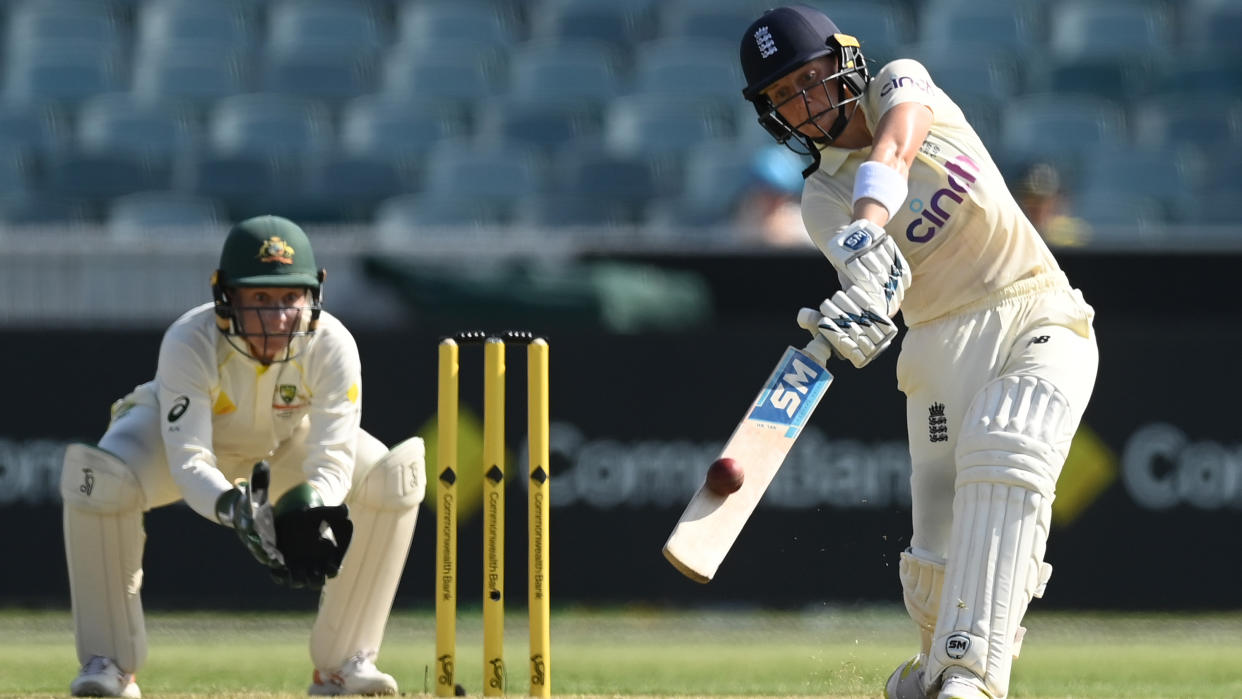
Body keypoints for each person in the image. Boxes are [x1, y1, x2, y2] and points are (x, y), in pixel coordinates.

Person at [738, 6, 1098, 699]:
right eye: (783, 97)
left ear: (844, 63)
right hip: (937, 346)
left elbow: (897, 150)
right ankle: (930, 672)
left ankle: (967, 675)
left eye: (809, 80)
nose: (805, 105)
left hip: (1033, 302)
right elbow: (880, 296)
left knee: (1008, 445)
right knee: (936, 559)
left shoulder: (900, 82)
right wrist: (858, 309)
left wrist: (868, 226)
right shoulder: (820, 199)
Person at [61, 215, 426, 697]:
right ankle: (109, 663)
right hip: (176, 444)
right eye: (259, 300)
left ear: (313, 297)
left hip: (281, 449)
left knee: (390, 476)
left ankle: (343, 665)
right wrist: (234, 509)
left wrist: (311, 506)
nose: (275, 320)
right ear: (225, 298)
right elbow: (190, 459)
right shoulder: (189, 340)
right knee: (98, 478)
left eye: (288, 300)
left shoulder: (332, 343)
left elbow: (334, 453)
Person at [732, 145, 815, 248]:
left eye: (774, 192)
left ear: (788, 194)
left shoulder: (805, 227)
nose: (766, 196)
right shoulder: (745, 224)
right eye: (761, 189)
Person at [1011, 161, 1091, 248]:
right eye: (1031, 199)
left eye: (1043, 200)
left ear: (1055, 200)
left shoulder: (1073, 235)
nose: (1038, 207)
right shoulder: (1013, 234)